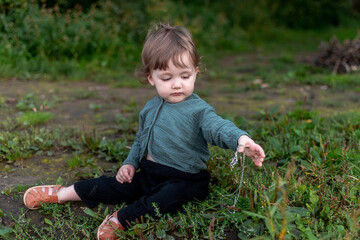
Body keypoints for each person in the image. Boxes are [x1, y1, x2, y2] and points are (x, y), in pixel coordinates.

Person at [23, 23, 265, 240]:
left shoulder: (199, 111)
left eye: (185, 75)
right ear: (151, 78)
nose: (177, 84)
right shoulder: (150, 108)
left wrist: (240, 139)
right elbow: (142, 140)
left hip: (185, 180)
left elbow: (218, 127)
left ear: (196, 71)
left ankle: (123, 219)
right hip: (149, 173)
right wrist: (130, 163)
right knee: (114, 185)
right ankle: (64, 193)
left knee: (163, 200)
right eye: (167, 77)